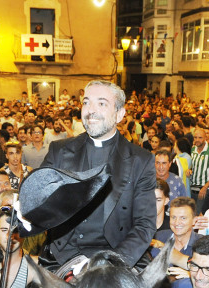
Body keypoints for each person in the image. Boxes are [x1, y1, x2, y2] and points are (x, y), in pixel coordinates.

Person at [39, 80, 156, 267]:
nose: (90, 110)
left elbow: (144, 224)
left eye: (101, 103)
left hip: (118, 255)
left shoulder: (140, 160)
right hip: (64, 255)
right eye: (86, 102)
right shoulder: (59, 151)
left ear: (119, 114)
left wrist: (111, 263)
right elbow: (39, 201)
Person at [190, 128, 209, 215]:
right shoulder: (193, 150)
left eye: (200, 137)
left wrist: (205, 187)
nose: (197, 140)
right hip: (193, 188)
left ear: (205, 138)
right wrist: (189, 170)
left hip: (204, 189)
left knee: (200, 215)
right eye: (195, 137)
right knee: (192, 214)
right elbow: (194, 166)